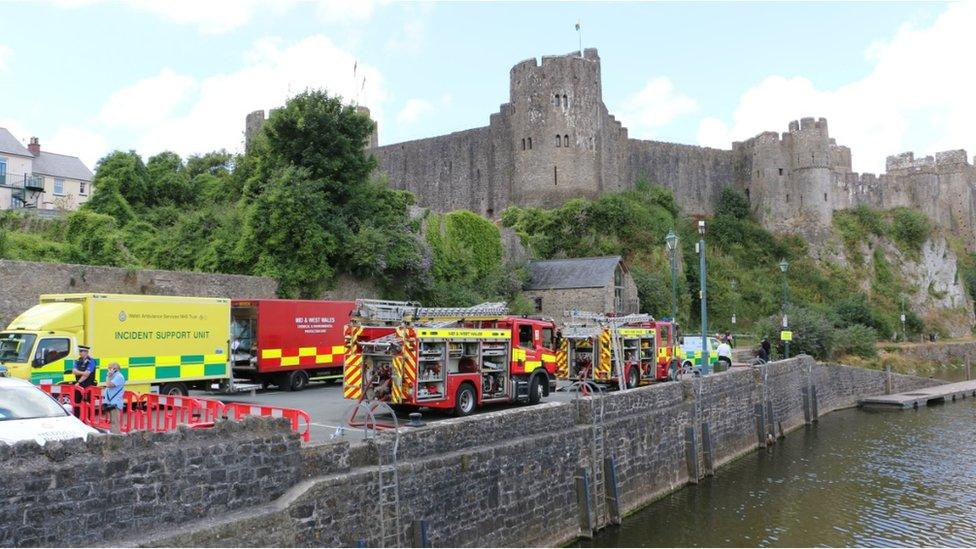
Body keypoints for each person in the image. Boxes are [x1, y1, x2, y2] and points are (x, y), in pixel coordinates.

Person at [70, 345, 96, 418]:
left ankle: (88, 420)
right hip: (79, 385)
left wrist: (79, 382)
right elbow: (74, 371)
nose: (79, 353)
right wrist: (82, 373)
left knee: (88, 403)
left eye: (81, 351)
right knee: (76, 403)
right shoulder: (78, 361)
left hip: (88, 385)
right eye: (79, 351)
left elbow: (87, 374)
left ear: (86, 352)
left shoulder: (91, 361)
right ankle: (77, 418)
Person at [101, 362, 125, 433]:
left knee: (115, 422)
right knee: (112, 421)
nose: (108, 370)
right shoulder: (114, 376)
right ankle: (113, 435)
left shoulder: (119, 376)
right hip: (111, 402)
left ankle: (116, 436)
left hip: (115, 403)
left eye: (109, 368)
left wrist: (108, 376)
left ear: (114, 369)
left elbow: (109, 385)